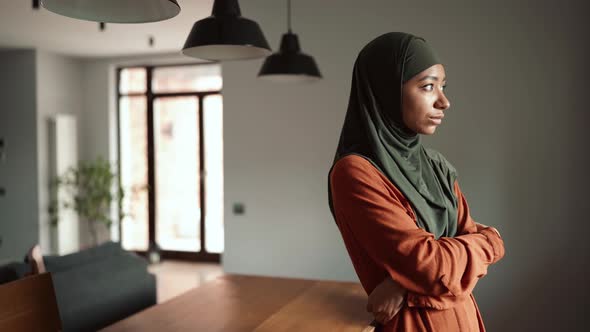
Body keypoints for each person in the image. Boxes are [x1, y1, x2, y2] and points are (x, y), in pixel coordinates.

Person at [328, 32, 505, 331]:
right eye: (427, 87)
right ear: (385, 91)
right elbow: (432, 267)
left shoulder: (436, 166)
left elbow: (491, 241)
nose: (444, 101)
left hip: (466, 320)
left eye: (443, 87)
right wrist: (483, 245)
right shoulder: (356, 172)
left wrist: (402, 285)